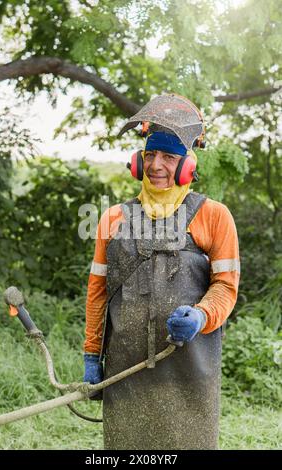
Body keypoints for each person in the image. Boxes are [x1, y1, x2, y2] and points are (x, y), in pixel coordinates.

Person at [83, 94, 240, 450]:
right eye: (150, 155)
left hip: (189, 371)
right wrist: (92, 355)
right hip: (126, 370)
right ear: (138, 161)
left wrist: (201, 315)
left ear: (187, 165)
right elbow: (98, 292)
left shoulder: (214, 216)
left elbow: (226, 287)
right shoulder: (113, 219)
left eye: (169, 157)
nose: (156, 165)